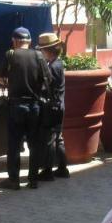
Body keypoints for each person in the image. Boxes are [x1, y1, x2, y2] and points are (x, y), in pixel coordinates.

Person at [0, 27, 52, 190]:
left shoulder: (11, 55)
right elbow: (47, 79)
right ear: (30, 42)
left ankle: (14, 180)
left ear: (15, 41)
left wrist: (9, 83)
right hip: (34, 106)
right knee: (34, 144)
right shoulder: (39, 55)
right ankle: (33, 179)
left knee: (13, 144)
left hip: (16, 106)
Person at [35, 32, 69, 181]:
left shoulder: (52, 67)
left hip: (53, 107)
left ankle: (48, 170)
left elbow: (46, 87)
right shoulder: (58, 63)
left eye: (42, 50)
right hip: (59, 106)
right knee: (58, 138)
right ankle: (62, 168)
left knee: (50, 139)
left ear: (47, 51)